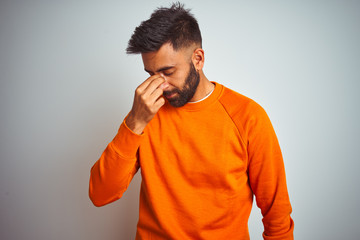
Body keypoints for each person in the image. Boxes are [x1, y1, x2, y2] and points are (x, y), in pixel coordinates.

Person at [89, 2, 294, 239]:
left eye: (167, 72)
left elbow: (276, 214)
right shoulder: (144, 115)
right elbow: (101, 194)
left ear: (198, 59)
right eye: (151, 75)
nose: (159, 86)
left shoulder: (248, 117)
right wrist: (135, 122)